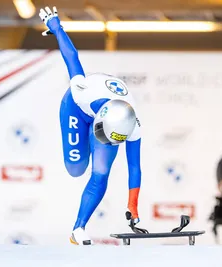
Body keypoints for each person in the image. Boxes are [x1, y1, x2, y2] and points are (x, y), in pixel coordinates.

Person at [39, 7, 142, 245]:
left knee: (101, 172)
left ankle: (78, 229)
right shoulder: (82, 91)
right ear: (101, 121)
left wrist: (133, 206)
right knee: (76, 168)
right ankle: (87, 137)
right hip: (76, 108)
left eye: (113, 139)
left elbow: (134, 167)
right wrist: (55, 26)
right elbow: (72, 57)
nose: (107, 142)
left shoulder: (133, 127)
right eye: (104, 136)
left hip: (108, 116)